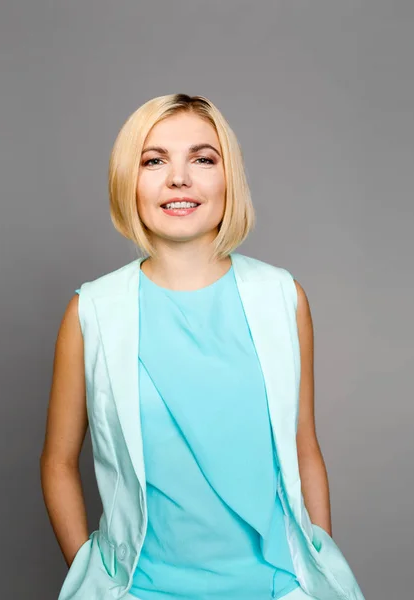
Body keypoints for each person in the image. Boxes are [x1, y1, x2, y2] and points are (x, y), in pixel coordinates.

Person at [40, 94, 366, 600]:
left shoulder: (283, 297)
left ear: (227, 178)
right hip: (139, 591)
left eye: (202, 158)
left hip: (278, 590)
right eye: (154, 160)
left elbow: (304, 450)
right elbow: (59, 461)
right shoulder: (92, 312)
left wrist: (317, 565)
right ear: (129, 180)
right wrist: (96, 578)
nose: (179, 179)